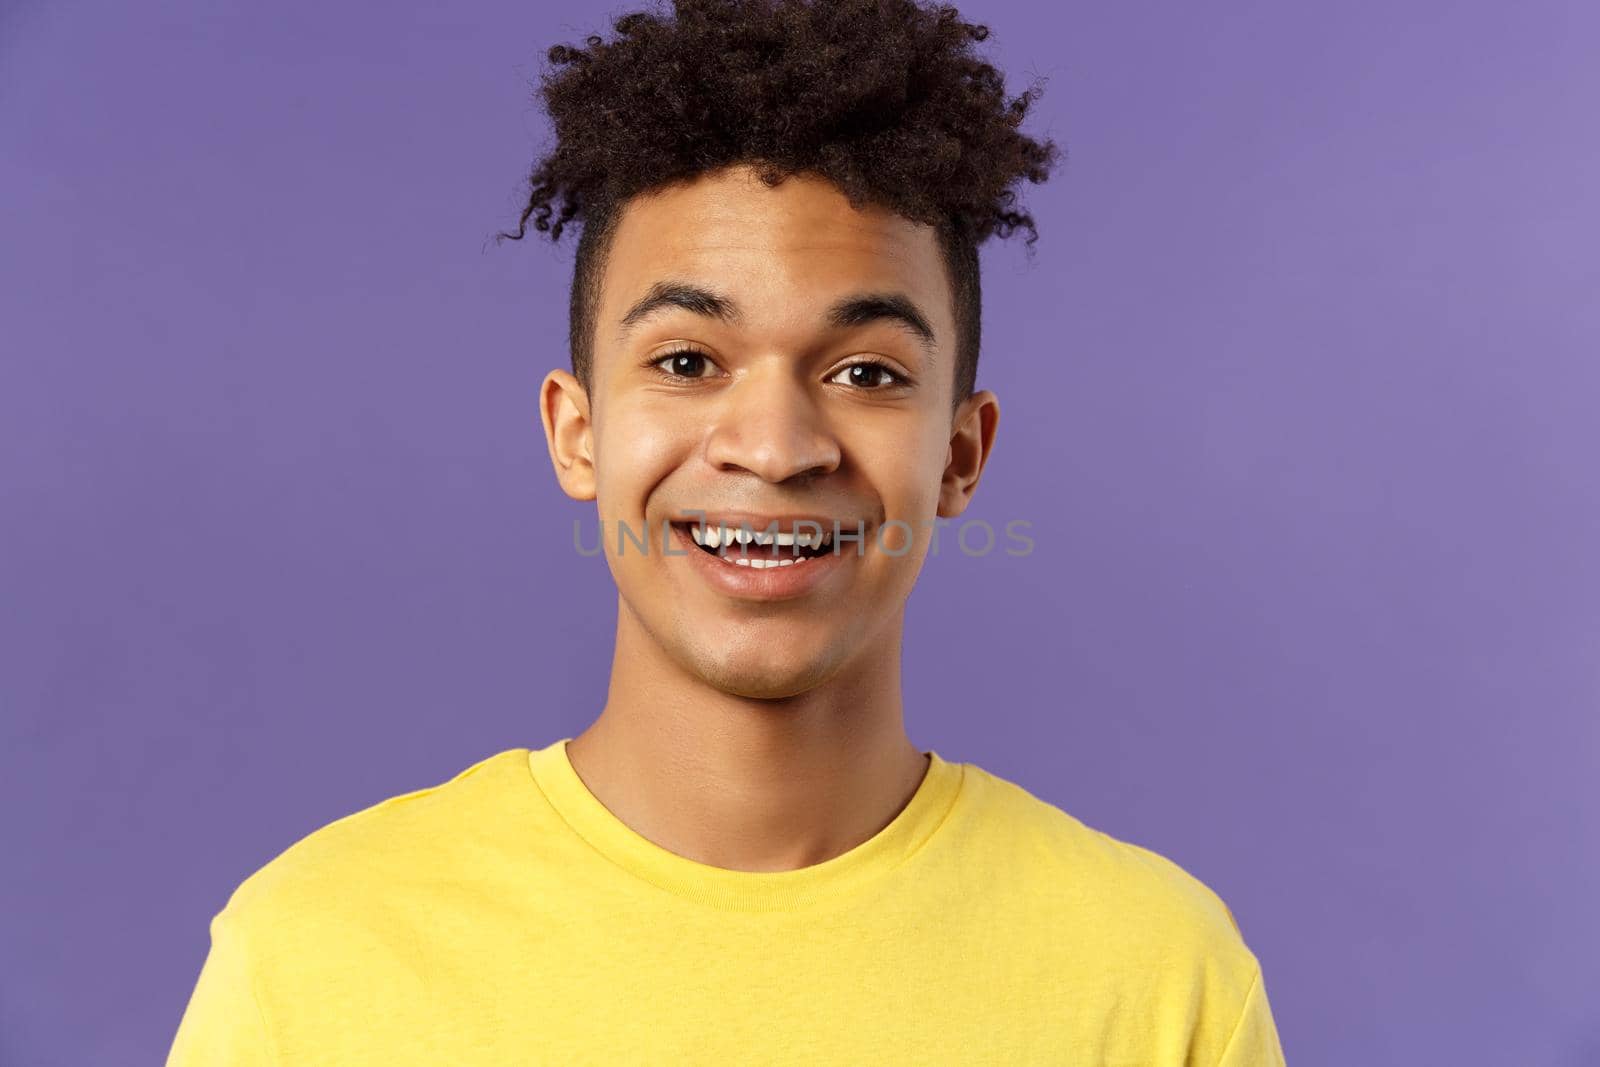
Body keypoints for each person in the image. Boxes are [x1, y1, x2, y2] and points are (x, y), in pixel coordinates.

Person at [166, 0, 1287, 1062]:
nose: (774, 442)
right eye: (688, 361)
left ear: (961, 453)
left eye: (864, 371)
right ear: (577, 433)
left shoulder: (1155, 975)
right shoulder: (315, 957)